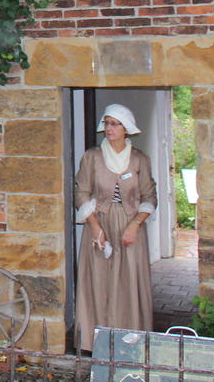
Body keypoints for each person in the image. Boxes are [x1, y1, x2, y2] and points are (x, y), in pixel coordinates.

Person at [73, 103, 156, 352]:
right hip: (99, 223)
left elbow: (149, 196)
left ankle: (130, 340)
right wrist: (95, 226)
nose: (109, 128)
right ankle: (95, 340)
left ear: (126, 128)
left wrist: (134, 225)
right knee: (98, 281)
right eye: (106, 123)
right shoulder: (92, 157)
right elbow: (82, 192)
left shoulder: (140, 159)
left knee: (129, 280)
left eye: (114, 123)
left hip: (130, 225)